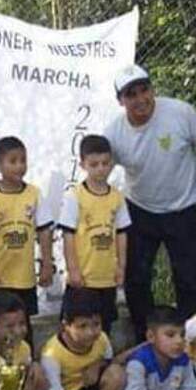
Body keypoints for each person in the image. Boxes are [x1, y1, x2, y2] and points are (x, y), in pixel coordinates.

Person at [103, 64, 196, 341]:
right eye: (131, 94)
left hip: (188, 208)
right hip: (140, 210)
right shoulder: (114, 134)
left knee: (189, 281)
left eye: (144, 89)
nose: (140, 99)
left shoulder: (180, 113)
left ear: (152, 89)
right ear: (121, 101)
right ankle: (147, 343)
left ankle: (189, 347)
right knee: (136, 280)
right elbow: (98, 175)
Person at [0, 136, 53, 346]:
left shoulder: (34, 194)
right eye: (13, 161)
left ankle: (26, 363)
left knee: (23, 330)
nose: (19, 166)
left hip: (25, 278)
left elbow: (44, 230)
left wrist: (47, 263)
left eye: (23, 160)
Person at [58, 134, 131, 334]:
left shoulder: (117, 197)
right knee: (76, 327)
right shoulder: (75, 196)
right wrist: (73, 269)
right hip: (83, 278)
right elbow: (68, 235)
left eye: (105, 163)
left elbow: (121, 234)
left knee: (103, 328)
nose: (100, 169)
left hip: (106, 277)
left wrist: (121, 267)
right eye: (94, 164)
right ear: (83, 164)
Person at [40, 287, 125, 390]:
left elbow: (110, 360)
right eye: (82, 326)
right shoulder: (51, 354)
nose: (91, 332)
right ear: (66, 325)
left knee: (116, 373)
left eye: (96, 324)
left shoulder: (101, 339)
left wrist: (97, 365)